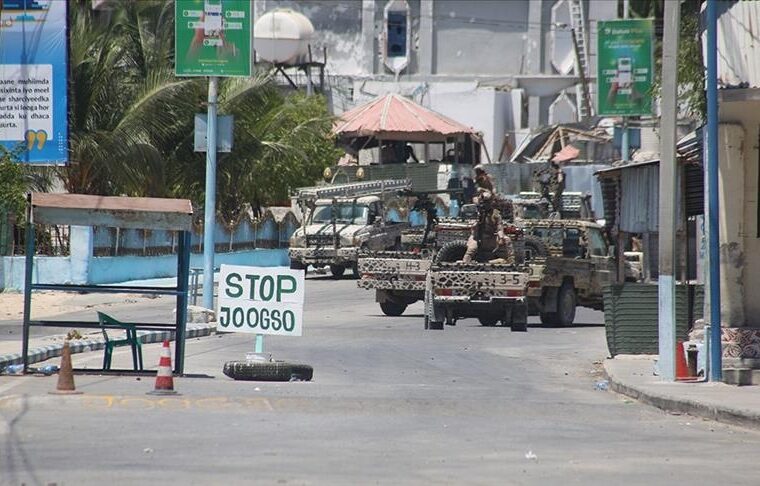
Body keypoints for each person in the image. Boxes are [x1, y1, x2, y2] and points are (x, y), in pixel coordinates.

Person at [463, 191, 513, 263]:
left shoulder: (495, 214)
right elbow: (472, 225)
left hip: (490, 237)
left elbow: (499, 227)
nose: (485, 204)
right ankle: (465, 263)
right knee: (472, 249)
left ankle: (511, 262)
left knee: (507, 240)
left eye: (487, 202)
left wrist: (501, 238)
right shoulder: (476, 211)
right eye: (483, 202)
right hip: (477, 236)